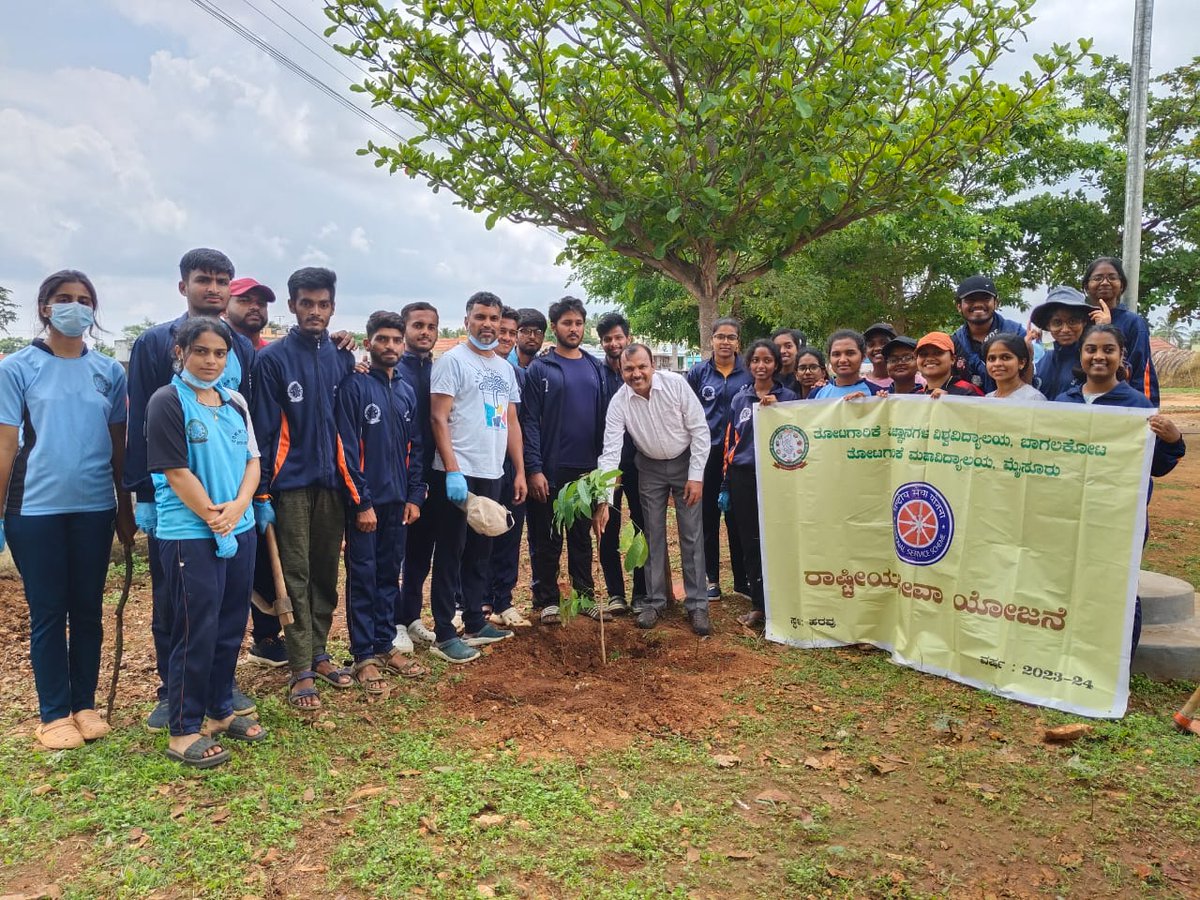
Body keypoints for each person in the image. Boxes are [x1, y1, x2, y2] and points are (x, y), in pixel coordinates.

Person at [0, 271, 135, 750]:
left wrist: (124, 510)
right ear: (44, 308)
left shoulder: (109, 372)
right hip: (34, 509)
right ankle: (53, 713)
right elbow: (6, 444)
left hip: (95, 507)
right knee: (49, 610)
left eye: (83, 300)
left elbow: (119, 447)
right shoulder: (17, 368)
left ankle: (85, 705)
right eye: (63, 299)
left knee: (88, 609)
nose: (73, 307)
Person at [125, 248, 258, 731]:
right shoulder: (154, 343)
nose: (215, 288)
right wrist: (143, 494)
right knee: (177, 606)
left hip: (232, 502)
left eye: (223, 280)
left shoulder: (239, 346)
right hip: (177, 503)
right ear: (184, 285)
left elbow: (247, 431)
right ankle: (173, 692)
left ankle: (218, 692)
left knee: (223, 611)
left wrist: (249, 500)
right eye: (205, 279)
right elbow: (141, 420)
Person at [145, 317, 267, 767]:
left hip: (240, 526)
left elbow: (253, 460)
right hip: (191, 534)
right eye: (201, 351)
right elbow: (176, 472)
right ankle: (183, 727)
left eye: (220, 353)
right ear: (181, 352)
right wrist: (216, 516)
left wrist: (238, 508)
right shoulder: (167, 402)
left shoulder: (234, 402)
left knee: (231, 625)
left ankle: (219, 710)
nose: (211, 360)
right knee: (195, 630)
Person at [250, 267, 357, 710]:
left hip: (333, 482)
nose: (315, 311)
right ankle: (300, 669)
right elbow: (263, 429)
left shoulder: (341, 356)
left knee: (325, 574)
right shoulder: (272, 359)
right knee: (293, 575)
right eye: (307, 303)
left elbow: (347, 421)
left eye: (323, 304)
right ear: (292, 306)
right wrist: (262, 492)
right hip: (288, 486)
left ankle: (319, 652)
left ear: (332, 307)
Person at [1055, 324, 1185, 651]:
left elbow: (1156, 467)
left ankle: (1118, 666)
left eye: (1108, 350)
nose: (1099, 356)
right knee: (1068, 582)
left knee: (1118, 587)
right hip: (1068, 512)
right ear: (1081, 355)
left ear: (1120, 355)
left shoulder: (1137, 406)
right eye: (1091, 349)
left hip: (1119, 517)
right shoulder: (1063, 402)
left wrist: (1173, 441)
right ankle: (1072, 653)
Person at [427, 291, 526, 663]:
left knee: (482, 550)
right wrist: (452, 470)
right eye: (480, 317)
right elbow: (438, 417)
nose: (487, 324)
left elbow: (511, 421)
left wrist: (517, 469)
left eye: (494, 318)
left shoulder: (505, 368)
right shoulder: (452, 362)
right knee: (451, 552)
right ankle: (443, 632)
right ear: (467, 319)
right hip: (458, 473)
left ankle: (475, 621)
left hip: (492, 471)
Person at [336, 311, 429, 692]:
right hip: (367, 505)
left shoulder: (405, 390)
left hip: (398, 504)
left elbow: (415, 447)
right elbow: (345, 449)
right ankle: (363, 655)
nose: (390, 346)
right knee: (364, 576)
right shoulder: (354, 387)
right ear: (369, 342)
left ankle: (385, 644)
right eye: (382, 340)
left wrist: (415, 495)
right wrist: (361, 503)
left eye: (395, 341)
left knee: (390, 574)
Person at [593, 344, 711, 635]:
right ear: (621, 371)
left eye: (641, 367)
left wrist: (696, 476)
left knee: (691, 533)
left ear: (652, 366)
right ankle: (655, 601)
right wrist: (605, 500)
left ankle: (697, 605)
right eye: (629, 369)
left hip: (685, 463)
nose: (636, 374)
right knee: (651, 533)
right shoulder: (619, 402)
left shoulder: (676, 385)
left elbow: (699, 430)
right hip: (649, 466)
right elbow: (610, 451)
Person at [522, 297, 609, 624]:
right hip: (550, 469)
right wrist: (534, 468)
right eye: (566, 323)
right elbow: (529, 421)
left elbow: (604, 420)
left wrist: (601, 472)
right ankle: (547, 600)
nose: (573, 329)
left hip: (586, 471)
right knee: (547, 538)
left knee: (581, 537)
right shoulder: (540, 369)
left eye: (578, 323)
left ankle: (585, 596)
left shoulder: (594, 367)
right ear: (555, 326)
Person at [720, 340, 797, 629]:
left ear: (776, 364)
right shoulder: (740, 399)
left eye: (767, 360)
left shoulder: (788, 397)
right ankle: (758, 604)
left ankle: (783, 603)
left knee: (777, 538)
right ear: (748, 365)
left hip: (777, 476)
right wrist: (726, 483)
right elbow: (731, 442)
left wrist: (780, 410)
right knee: (750, 540)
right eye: (756, 361)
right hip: (744, 477)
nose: (761, 366)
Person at [687, 318, 752, 599]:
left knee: (738, 518)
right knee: (708, 518)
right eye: (720, 336)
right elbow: (685, 411)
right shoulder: (699, 373)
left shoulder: (749, 373)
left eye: (731, 337)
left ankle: (742, 580)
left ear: (738, 342)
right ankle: (711, 578)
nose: (725, 342)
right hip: (707, 454)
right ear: (711, 340)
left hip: (740, 455)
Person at [395, 301, 442, 650]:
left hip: (432, 475)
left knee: (421, 554)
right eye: (417, 326)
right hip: (399, 476)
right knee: (396, 553)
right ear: (405, 329)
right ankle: (392, 622)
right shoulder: (394, 370)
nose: (424, 332)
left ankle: (410, 616)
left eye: (431, 326)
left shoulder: (437, 370)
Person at [595, 312, 646, 615]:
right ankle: (615, 593)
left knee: (642, 525)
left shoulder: (639, 370)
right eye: (607, 339)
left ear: (628, 336)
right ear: (601, 342)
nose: (614, 343)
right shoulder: (594, 372)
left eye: (618, 337)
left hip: (640, 462)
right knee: (606, 525)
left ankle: (641, 593)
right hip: (607, 462)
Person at [484, 306, 532, 627]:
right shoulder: (471, 366)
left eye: (511, 333)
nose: (505, 337)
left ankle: (503, 600)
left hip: (510, 464)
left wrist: (522, 470)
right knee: (480, 533)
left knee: (509, 534)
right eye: (502, 330)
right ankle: (476, 601)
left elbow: (519, 423)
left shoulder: (516, 375)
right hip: (481, 466)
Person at [1082, 257, 1158, 404]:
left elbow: (1141, 371)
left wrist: (1145, 410)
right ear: (1086, 286)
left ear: (1121, 285)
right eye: (1097, 278)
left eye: (1112, 277)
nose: (1105, 282)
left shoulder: (1134, 323)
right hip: (1082, 403)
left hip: (1121, 404)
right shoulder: (1080, 321)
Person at [950, 275, 1026, 394]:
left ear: (996, 303)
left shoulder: (1016, 333)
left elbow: (1028, 379)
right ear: (959, 306)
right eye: (970, 300)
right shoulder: (954, 342)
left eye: (985, 298)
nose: (978, 304)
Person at [1030, 287, 1097, 402]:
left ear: (1084, 322)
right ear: (1048, 326)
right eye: (1057, 322)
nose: (1065, 329)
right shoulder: (1041, 361)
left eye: (1072, 321)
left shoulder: (1093, 360)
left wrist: (1104, 330)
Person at [813, 331, 882, 398]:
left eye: (850, 353)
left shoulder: (877, 394)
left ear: (863, 356)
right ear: (829, 358)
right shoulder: (817, 393)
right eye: (836, 354)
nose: (842, 360)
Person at [917, 332, 984, 397]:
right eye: (923, 354)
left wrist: (950, 401)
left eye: (938, 353)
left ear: (952, 359)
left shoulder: (968, 391)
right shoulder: (916, 396)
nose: (929, 359)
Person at [984, 334, 1045, 401]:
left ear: (1022, 363)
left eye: (1006, 357)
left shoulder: (1033, 398)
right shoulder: (988, 398)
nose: (997, 363)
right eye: (991, 359)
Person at [225, 277, 275, 350]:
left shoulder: (274, 354)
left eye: (261, 303)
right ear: (224, 308)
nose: (255, 307)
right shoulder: (216, 351)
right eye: (244, 301)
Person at [771, 328, 807, 392]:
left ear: (797, 348)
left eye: (788, 346)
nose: (782, 351)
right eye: (777, 348)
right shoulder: (768, 379)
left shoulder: (806, 377)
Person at [863, 323, 897, 388]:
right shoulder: (860, 385)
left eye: (884, 343)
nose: (877, 348)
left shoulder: (915, 381)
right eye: (871, 344)